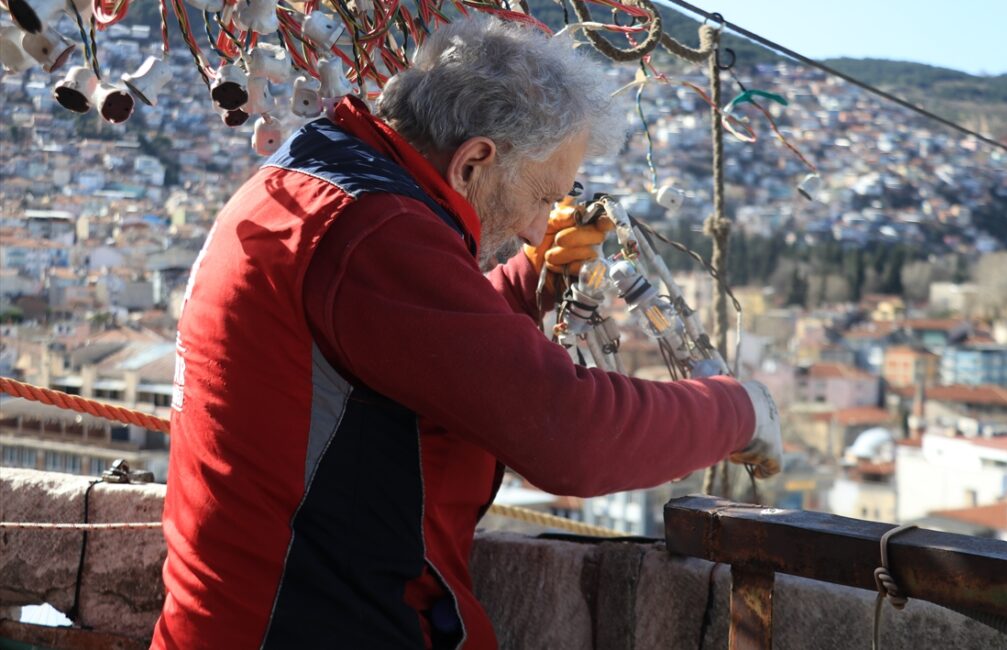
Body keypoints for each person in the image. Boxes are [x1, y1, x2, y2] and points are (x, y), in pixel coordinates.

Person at [153, 16, 782, 650]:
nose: (541, 229)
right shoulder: (375, 232)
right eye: (544, 198)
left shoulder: (320, 184)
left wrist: (525, 284)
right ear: (475, 162)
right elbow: (568, 434)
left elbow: (399, 348)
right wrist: (739, 408)